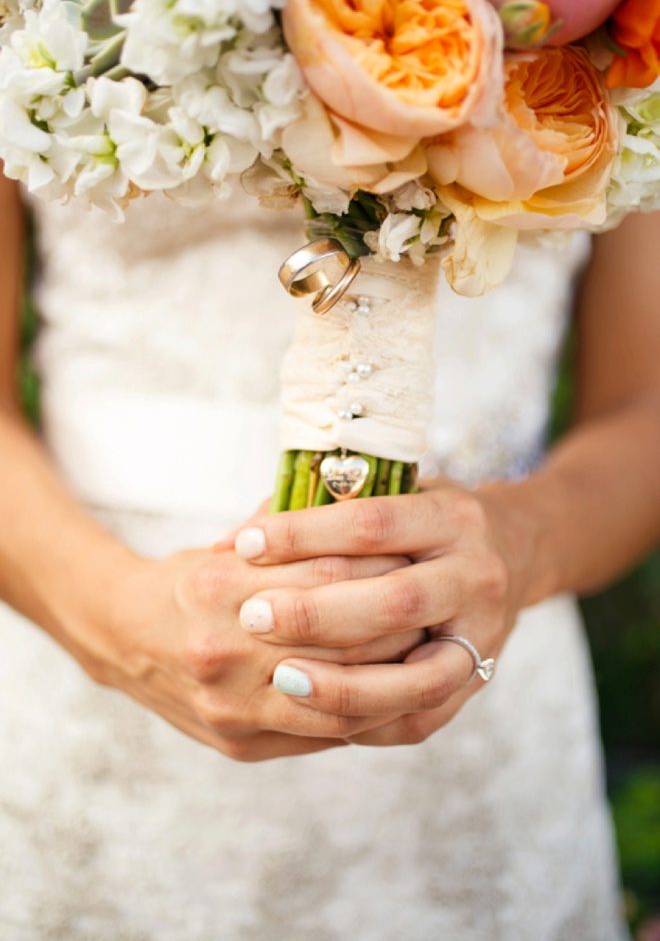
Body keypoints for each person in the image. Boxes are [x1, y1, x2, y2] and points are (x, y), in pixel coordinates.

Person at [0, 163, 658, 940]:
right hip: (83, 645)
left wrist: (518, 547)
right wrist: (114, 623)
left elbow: (642, 407)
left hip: (476, 678)